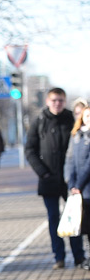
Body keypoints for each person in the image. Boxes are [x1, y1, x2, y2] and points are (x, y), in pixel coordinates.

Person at [25, 87, 81, 268]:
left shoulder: (71, 119)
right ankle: (59, 257)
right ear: (48, 101)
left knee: (74, 217)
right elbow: (30, 150)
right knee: (53, 218)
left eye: (60, 100)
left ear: (65, 101)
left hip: (70, 180)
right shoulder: (40, 121)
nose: (57, 103)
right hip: (48, 179)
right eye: (54, 100)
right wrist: (43, 172)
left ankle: (79, 256)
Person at [64, 105, 90, 265]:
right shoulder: (77, 135)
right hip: (80, 191)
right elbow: (71, 161)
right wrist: (71, 183)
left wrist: (78, 184)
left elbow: (88, 165)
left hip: (86, 187)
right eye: (87, 115)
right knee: (84, 226)